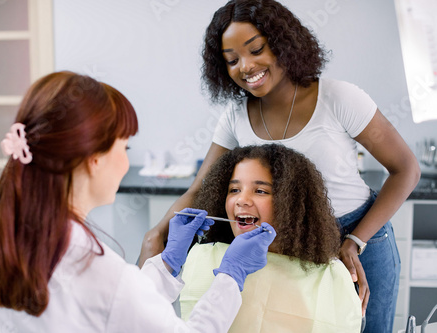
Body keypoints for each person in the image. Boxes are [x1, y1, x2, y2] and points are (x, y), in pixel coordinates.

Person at [138, 1, 421, 332]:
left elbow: (406, 169)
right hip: (287, 247)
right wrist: (157, 234)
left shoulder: (338, 98)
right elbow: (199, 188)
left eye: (256, 49)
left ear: (284, 42)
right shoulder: (234, 117)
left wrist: (356, 240)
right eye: (232, 60)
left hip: (357, 238)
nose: (246, 66)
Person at [0, 71, 276, 332]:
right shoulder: (89, 264)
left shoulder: (9, 241)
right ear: (93, 159)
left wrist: (167, 264)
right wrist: (231, 275)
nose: (126, 161)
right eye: (125, 147)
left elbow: (115, 310)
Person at [180, 144, 362, 332]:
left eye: (260, 191)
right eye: (234, 189)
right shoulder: (203, 258)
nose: (242, 200)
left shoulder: (329, 277)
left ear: (291, 203)